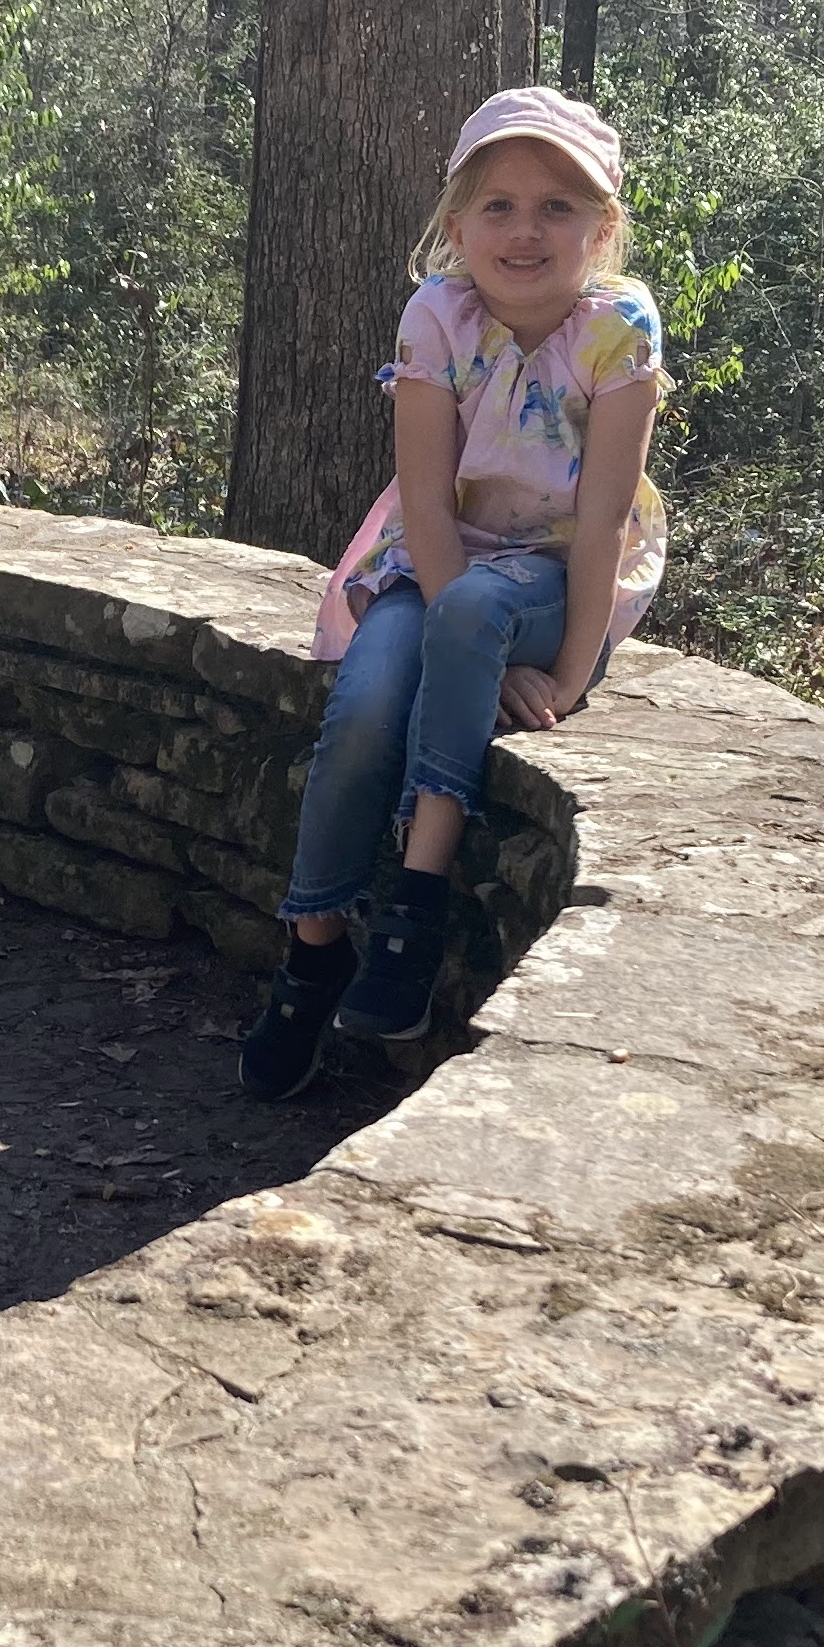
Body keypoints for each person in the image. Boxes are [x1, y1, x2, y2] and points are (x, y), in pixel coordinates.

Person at [240, 83, 669, 1098]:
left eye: (557, 208)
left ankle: (416, 902)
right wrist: (459, 647)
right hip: (435, 559)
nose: (525, 232)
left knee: (479, 609)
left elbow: (602, 521)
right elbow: (427, 504)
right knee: (365, 705)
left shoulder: (619, 329)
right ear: (459, 223)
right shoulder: (438, 315)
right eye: (498, 206)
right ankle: (313, 946)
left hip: (558, 575)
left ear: (602, 228)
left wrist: (567, 676)